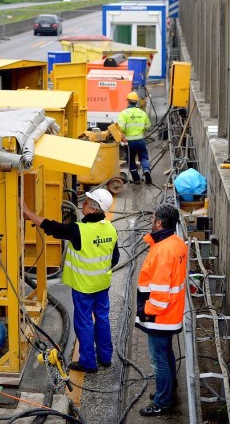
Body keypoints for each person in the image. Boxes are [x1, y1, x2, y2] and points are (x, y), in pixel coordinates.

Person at [23, 188, 119, 374]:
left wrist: (28, 213)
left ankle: (88, 363)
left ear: (93, 208)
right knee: (102, 319)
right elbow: (115, 258)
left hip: (84, 287)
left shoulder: (79, 230)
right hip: (102, 284)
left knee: (84, 322)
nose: (82, 204)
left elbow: (52, 228)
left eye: (86, 202)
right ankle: (105, 358)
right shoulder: (110, 228)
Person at [135, 203, 188, 417]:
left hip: (159, 315)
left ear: (159, 222)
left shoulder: (163, 251)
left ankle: (162, 401)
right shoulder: (177, 244)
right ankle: (168, 390)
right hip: (172, 313)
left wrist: (147, 310)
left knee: (158, 360)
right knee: (166, 353)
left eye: (153, 217)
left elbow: (159, 291)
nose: (150, 220)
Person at [117, 91, 152, 184]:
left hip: (129, 142)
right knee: (144, 157)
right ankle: (146, 170)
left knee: (131, 160)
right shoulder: (142, 113)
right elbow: (148, 126)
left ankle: (136, 179)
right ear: (136, 101)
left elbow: (121, 128)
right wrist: (141, 130)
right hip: (140, 140)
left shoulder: (124, 114)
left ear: (128, 101)